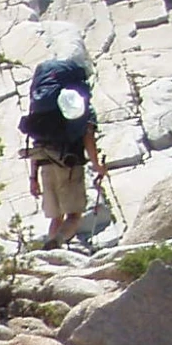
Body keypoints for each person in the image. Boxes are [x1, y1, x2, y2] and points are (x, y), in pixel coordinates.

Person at [28, 92, 108, 248]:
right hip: (69, 166)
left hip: (45, 165)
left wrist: (33, 178)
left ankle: (51, 253)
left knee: (56, 217)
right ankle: (57, 242)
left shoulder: (45, 109)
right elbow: (88, 138)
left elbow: (36, 145)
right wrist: (97, 165)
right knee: (74, 215)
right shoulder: (83, 107)